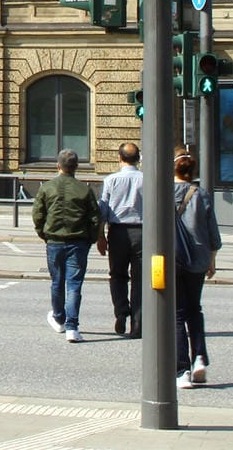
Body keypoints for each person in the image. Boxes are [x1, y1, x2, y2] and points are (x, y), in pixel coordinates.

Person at [32, 148, 100, 343]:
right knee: (74, 285)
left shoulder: (47, 188)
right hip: (78, 242)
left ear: (58, 166)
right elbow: (95, 218)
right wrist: (91, 239)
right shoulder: (84, 189)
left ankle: (59, 318)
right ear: (76, 167)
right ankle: (72, 327)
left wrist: (43, 233)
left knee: (57, 282)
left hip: (54, 241)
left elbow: (38, 214)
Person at [171, 152, 222, 389]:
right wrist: (212, 259)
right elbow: (213, 233)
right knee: (195, 309)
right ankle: (199, 357)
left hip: (173, 257)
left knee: (177, 313)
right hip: (199, 259)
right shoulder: (201, 194)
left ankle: (182, 371)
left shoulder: (164, 192)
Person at [97, 141, 144, 337]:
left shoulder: (111, 180)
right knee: (140, 279)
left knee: (117, 275)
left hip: (117, 232)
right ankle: (138, 323)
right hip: (143, 232)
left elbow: (103, 210)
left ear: (120, 158)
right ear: (138, 159)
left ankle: (121, 312)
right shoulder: (147, 178)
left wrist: (101, 236)